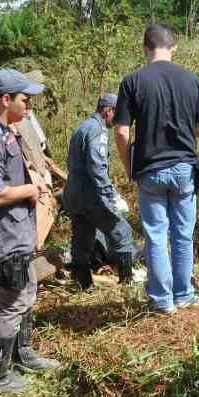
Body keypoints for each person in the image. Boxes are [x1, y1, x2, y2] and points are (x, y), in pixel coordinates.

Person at [0, 68, 59, 396]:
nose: (29, 106)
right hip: (4, 237)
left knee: (26, 293)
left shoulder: (5, 129)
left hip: (16, 233)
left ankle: (23, 354)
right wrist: (30, 190)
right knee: (10, 304)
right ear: (6, 100)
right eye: (25, 99)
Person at [113, 24, 199, 315]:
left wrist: (130, 167)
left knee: (156, 235)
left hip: (151, 170)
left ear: (145, 49)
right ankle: (184, 294)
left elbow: (120, 132)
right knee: (183, 234)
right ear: (174, 47)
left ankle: (162, 301)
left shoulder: (132, 81)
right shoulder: (191, 79)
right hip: (184, 169)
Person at [63, 93, 134, 291]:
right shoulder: (98, 131)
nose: (119, 120)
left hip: (74, 194)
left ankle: (84, 285)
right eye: (117, 115)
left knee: (82, 239)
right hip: (91, 195)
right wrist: (112, 196)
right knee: (123, 233)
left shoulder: (82, 127)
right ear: (108, 111)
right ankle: (127, 285)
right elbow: (97, 167)